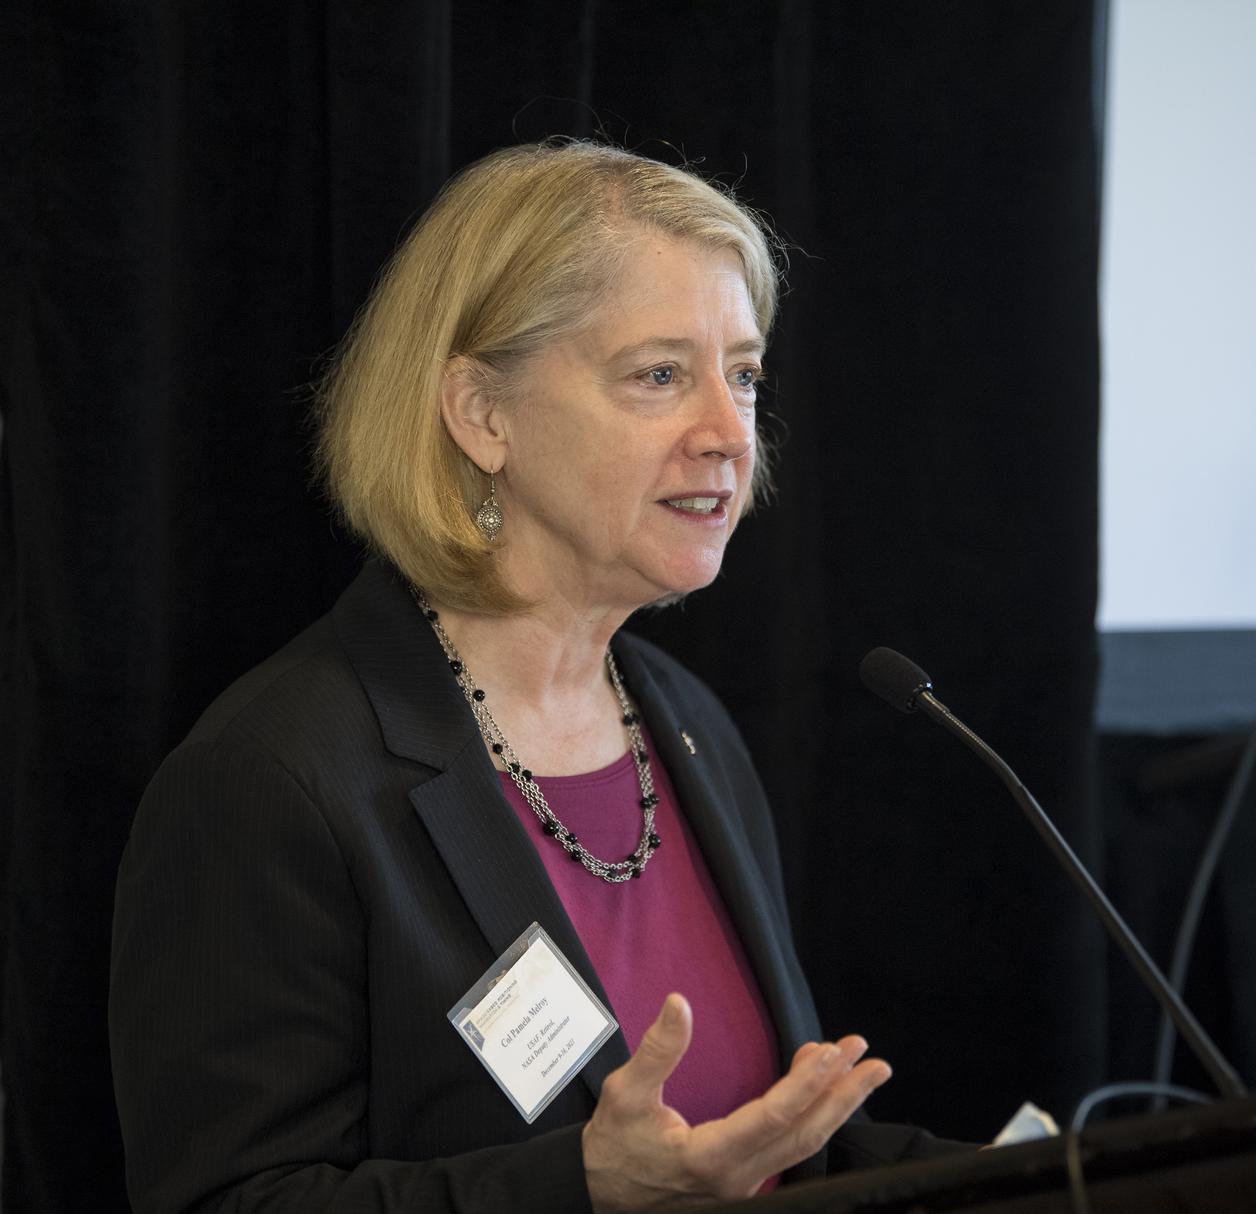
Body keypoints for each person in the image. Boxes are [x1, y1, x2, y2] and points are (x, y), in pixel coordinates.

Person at [109, 140, 967, 1214]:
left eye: (740, 373)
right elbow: (225, 1200)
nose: (725, 431)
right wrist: (577, 1186)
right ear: (481, 414)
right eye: (659, 374)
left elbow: (763, 1150)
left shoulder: (684, 722)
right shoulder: (275, 779)